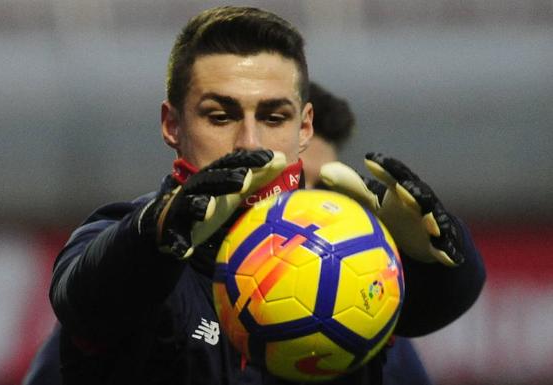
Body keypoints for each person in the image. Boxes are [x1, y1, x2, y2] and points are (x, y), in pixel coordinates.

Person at [39, 6, 485, 385]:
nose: (249, 141)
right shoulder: (133, 244)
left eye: (273, 117)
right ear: (172, 125)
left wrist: (439, 257)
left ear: (305, 127)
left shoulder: (352, 251)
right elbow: (84, 303)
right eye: (219, 115)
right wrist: (155, 233)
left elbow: (438, 305)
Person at [300, 82, 431, 385]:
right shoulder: (181, 293)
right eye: (293, 179)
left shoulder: (368, 327)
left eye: (322, 188)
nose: (306, 201)